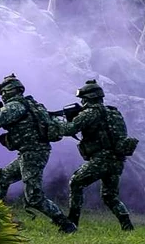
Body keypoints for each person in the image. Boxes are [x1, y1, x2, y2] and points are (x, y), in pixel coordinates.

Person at [0, 74, 77, 233]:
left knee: (34, 197)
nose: (2, 95)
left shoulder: (15, 106)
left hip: (32, 153)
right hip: (31, 152)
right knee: (3, 176)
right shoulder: (32, 104)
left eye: (3, 92)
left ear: (8, 91)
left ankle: (66, 225)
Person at [54, 80, 137, 231]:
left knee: (76, 183)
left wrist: (54, 123)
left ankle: (72, 223)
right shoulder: (114, 113)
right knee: (110, 196)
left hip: (101, 159)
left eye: (83, 98)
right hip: (117, 160)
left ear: (88, 98)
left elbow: (70, 129)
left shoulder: (90, 113)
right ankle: (127, 225)